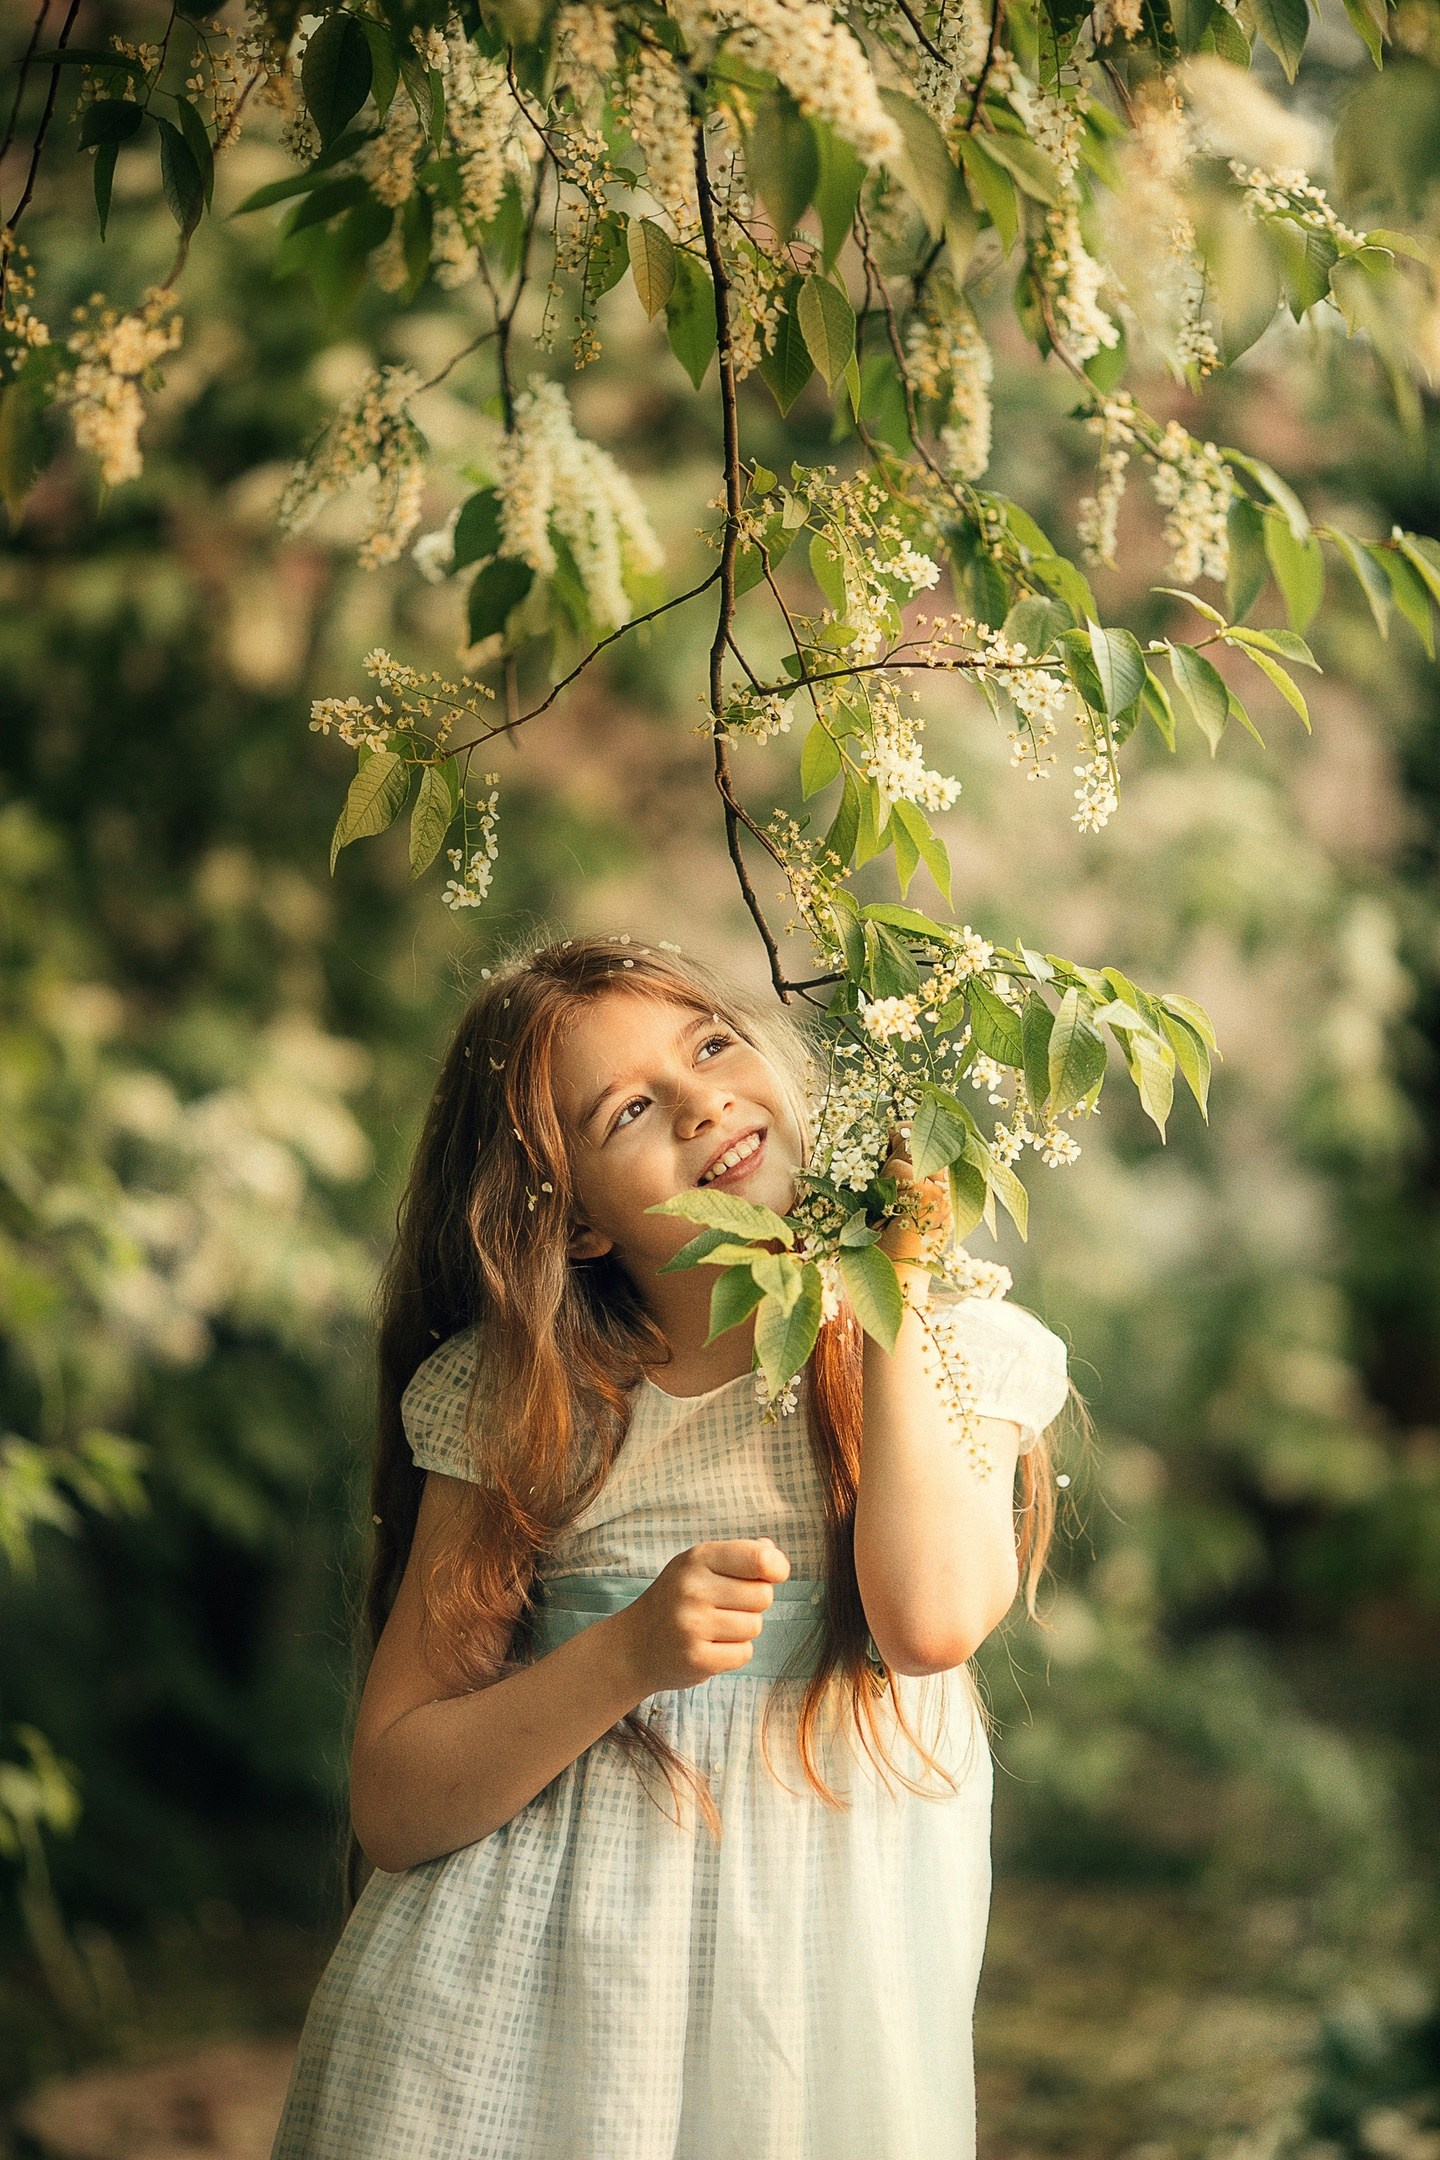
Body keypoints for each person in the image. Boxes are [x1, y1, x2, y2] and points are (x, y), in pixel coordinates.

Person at [269, 929, 1070, 2160]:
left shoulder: (956, 1348)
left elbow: (929, 1623)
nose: (705, 1102)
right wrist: (629, 1652)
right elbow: (396, 1799)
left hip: (811, 2017)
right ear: (580, 1222)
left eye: (712, 1044)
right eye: (631, 1108)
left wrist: (890, 1288)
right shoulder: (529, 1401)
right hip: (519, 2015)